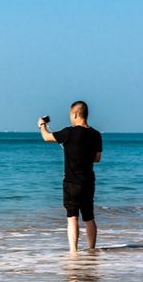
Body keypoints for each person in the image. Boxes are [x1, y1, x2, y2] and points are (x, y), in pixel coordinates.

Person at [38, 101, 102, 252]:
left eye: (70, 115)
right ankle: (91, 250)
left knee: (72, 217)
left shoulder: (69, 132)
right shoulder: (96, 134)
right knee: (89, 217)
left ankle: (74, 252)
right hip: (88, 181)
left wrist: (42, 125)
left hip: (72, 182)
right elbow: (97, 158)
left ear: (74, 114)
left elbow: (46, 137)